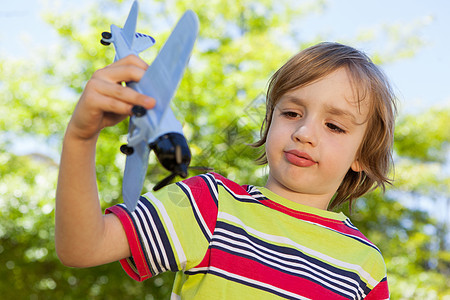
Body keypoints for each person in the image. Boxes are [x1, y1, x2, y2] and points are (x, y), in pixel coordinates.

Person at [56, 42, 396, 299]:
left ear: (363, 155)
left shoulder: (364, 267)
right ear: (270, 121)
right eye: (292, 113)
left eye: (334, 126)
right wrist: (81, 137)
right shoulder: (210, 205)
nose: (304, 133)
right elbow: (82, 248)